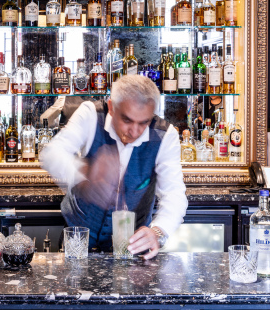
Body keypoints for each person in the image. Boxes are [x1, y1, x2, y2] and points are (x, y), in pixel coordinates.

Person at [40, 75, 187, 259]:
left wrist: (158, 232)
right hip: (79, 240)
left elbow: (174, 193)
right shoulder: (91, 114)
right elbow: (53, 153)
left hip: (131, 248)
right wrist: (84, 174)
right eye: (127, 120)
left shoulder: (165, 135)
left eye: (144, 122)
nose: (134, 131)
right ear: (111, 107)